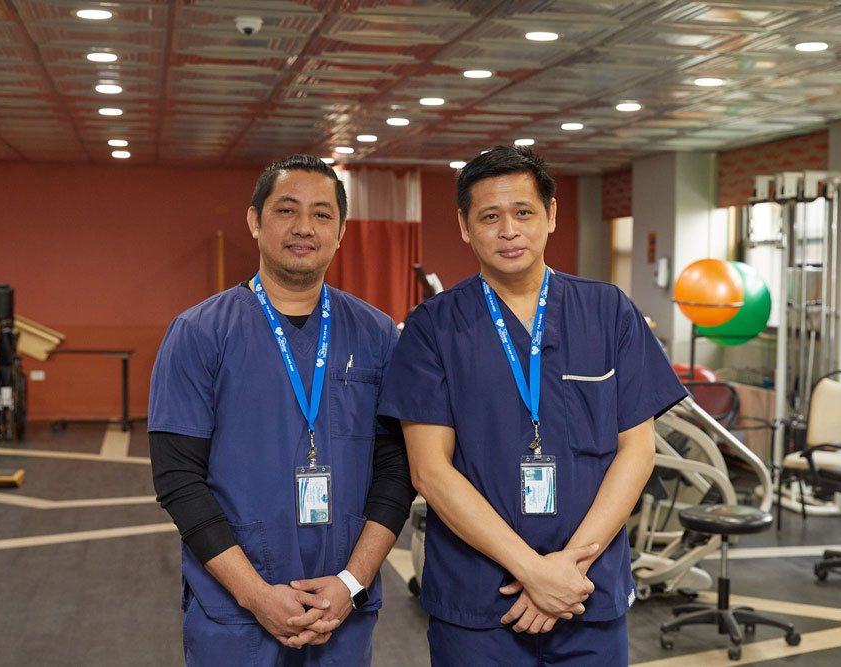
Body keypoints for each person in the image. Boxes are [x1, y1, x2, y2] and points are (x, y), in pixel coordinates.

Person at [377, 146, 687, 666]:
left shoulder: (609, 311)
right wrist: (532, 570)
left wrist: (567, 570)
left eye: (523, 212)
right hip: (480, 602)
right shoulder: (433, 328)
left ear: (551, 215)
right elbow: (429, 471)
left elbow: (636, 453)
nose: (508, 230)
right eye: (489, 217)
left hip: (588, 593)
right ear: (464, 226)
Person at [149, 155, 414, 666]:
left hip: (343, 607)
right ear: (254, 220)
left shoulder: (378, 336)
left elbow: (398, 469)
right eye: (286, 210)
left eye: (321, 214)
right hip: (235, 611)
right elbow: (178, 480)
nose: (303, 228)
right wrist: (255, 595)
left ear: (340, 230)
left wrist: (352, 582)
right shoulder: (200, 333)